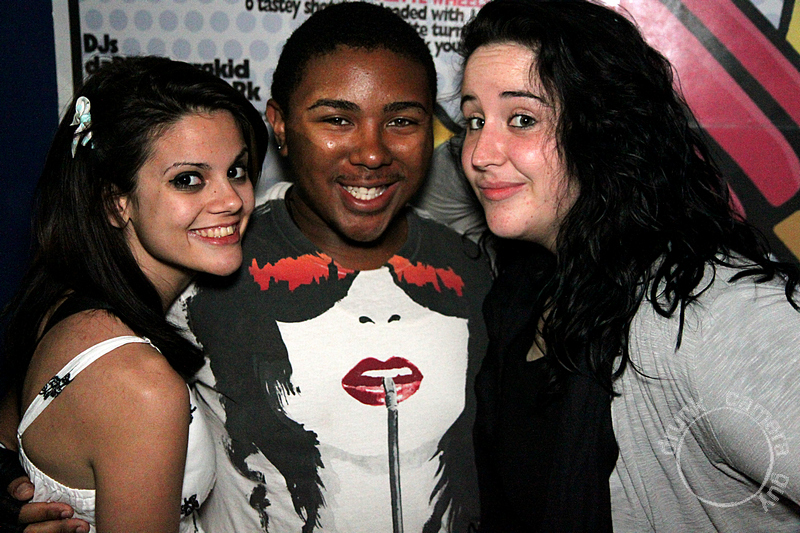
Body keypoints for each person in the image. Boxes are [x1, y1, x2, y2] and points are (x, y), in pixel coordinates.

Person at [455, 0, 800, 531]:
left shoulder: (710, 316)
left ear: (606, 130)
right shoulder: (522, 291)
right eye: (474, 120)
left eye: (522, 119)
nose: (480, 152)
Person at [182, 3, 491, 532]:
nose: (371, 153)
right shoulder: (205, 267)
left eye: (401, 121)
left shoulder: (476, 271)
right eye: (337, 120)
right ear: (280, 125)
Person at [0, 55, 268, 532]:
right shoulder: (141, 385)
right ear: (115, 202)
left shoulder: (62, 298)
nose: (231, 200)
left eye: (237, 171)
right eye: (188, 179)